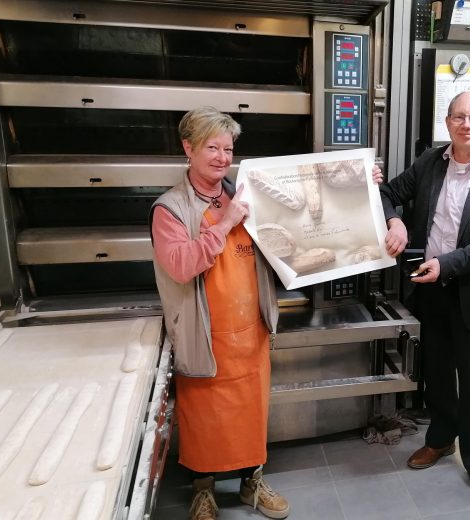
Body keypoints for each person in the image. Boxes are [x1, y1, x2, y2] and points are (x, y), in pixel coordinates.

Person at [380, 91, 470, 509]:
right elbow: (389, 192)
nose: (467, 125)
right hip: (430, 290)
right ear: (447, 122)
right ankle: (440, 440)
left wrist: (447, 263)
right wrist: (395, 220)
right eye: (459, 117)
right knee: (437, 373)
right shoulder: (430, 163)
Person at [150, 106, 288, 520]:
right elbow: (179, 265)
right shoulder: (170, 209)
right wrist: (225, 223)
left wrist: (363, 187)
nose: (223, 158)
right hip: (204, 337)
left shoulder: (245, 195)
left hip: (250, 333)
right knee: (205, 422)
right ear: (188, 148)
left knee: (251, 415)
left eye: (228, 149)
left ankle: (252, 483)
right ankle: (203, 491)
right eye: (212, 147)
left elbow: (298, 222)